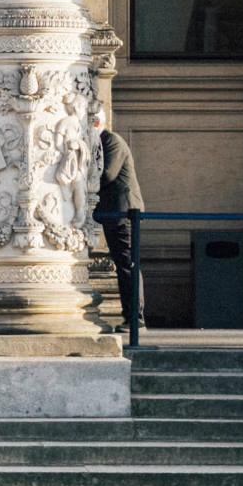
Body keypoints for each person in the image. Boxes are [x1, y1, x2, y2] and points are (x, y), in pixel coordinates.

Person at [95, 110, 146, 349]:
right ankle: (131, 316)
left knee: (128, 264)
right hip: (114, 214)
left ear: (96, 122)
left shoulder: (111, 141)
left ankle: (135, 318)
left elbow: (107, 174)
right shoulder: (103, 141)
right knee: (123, 263)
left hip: (124, 213)